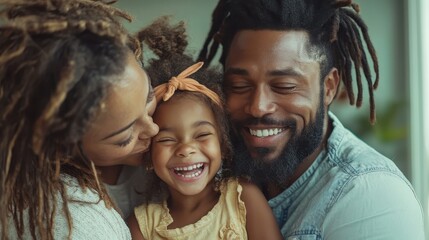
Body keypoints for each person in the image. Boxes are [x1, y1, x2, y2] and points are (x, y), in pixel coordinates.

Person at [198, 0, 426, 239]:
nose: (258, 107)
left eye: (284, 86)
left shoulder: (371, 197)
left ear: (328, 88)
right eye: (239, 86)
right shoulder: (206, 167)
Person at [0, 0, 159, 239]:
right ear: (62, 146)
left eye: (149, 96)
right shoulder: (76, 224)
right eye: (125, 137)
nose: (154, 128)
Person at [127, 17, 282, 240]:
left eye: (201, 135)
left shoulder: (242, 198)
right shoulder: (141, 226)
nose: (186, 149)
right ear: (149, 154)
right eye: (167, 139)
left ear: (223, 145)